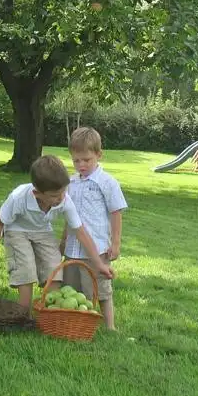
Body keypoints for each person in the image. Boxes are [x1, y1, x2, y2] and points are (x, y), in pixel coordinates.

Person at [0, 155, 114, 313]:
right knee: (25, 269)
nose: (60, 198)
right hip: (17, 230)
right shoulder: (18, 197)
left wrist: (99, 264)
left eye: (63, 191)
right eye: (54, 195)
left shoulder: (64, 200)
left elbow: (81, 232)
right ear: (37, 194)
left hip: (42, 230)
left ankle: (51, 314)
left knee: (54, 267)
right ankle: (23, 314)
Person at [60, 127, 127, 330]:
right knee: (71, 290)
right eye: (76, 161)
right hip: (73, 249)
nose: (81, 165)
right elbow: (69, 215)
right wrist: (63, 239)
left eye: (86, 160)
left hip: (96, 249)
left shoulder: (107, 182)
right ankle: (75, 324)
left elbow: (116, 212)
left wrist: (115, 243)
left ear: (99, 155)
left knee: (100, 289)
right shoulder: (71, 183)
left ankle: (110, 327)